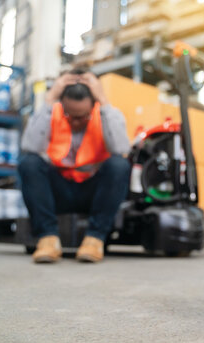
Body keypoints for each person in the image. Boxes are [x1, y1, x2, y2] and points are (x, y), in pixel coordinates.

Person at [18, 68, 131, 264]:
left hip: (93, 194)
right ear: (62, 106)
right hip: (60, 191)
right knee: (28, 163)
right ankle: (47, 239)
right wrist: (49, 99)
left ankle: (95, 240)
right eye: (71, 116)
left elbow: (121, 148)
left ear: (93, 105)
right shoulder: (52, 113)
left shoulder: (106, 114)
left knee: (119, 165)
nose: (77, 121)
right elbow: (30, 146)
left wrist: (103, 100)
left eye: (83, 116)